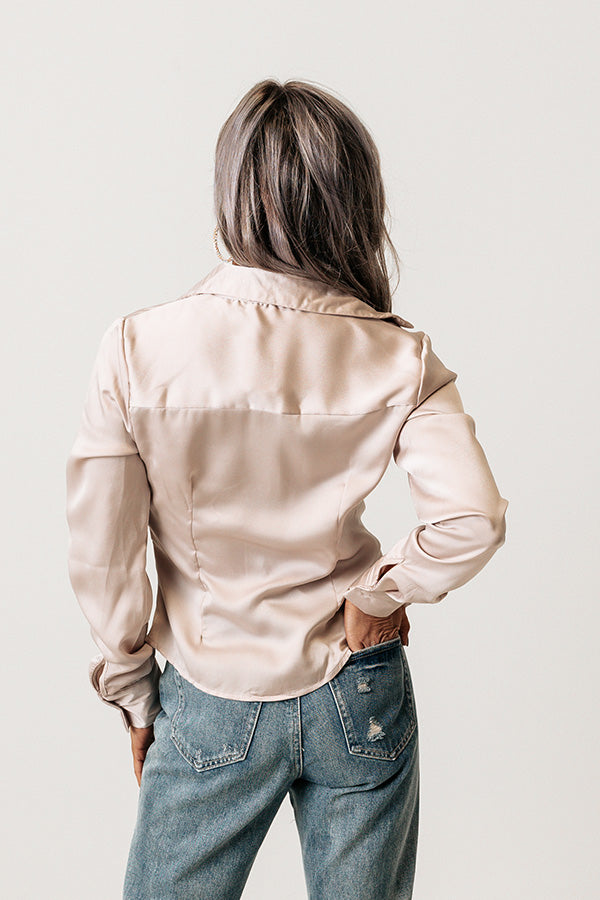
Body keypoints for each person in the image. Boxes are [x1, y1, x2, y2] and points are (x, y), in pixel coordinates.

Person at [65, 78, 508, 900]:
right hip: (358, 683)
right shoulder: (398, 355)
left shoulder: (137, 349)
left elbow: (103, 557)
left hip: (209, 688)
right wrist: (378, 595)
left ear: (233, 191)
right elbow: (473, 518)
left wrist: (133, 695)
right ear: (355, 199)